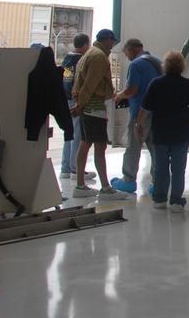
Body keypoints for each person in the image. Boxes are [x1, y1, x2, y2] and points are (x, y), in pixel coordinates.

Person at [138, 50, 189, 213]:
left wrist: (138, 124)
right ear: (182, 66)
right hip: (181, 133)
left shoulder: (156, 83)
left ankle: (160, 199)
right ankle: (176, 201)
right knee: (178, 168)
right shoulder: (186, 84)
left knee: (160, 167)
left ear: (165, 66)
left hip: (160, 132)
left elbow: (145, 107)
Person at [69, 29, 129, 200]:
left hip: (88, 107)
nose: (113, 45)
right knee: (100, 146)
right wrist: (81, 104)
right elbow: (90, 83)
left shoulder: (89, 54)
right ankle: (105, 188)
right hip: (94, 107)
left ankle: (80, 185)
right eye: (112, 41)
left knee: (85, 143)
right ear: (107, 40)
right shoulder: (99, 57)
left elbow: (80, 83)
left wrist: (79, 103)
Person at [110, 38, 162, 194]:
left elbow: (132, 90)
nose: (127, 57)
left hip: (139, 113)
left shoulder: (136, 64)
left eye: (126, 54)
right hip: (157, 114)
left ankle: (128, 180)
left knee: (133, 147)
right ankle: (158, 183)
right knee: (155, 149)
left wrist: (119, 96)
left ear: (131, 49)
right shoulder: (157, 63)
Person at [58, 34, 92, 181]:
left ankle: (65, 168)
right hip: (76, 100)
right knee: (78, 134)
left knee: (69, 133)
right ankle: (75, 168)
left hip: (65, 100)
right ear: (85, 45)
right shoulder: (81, 60)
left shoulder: (67, 59)